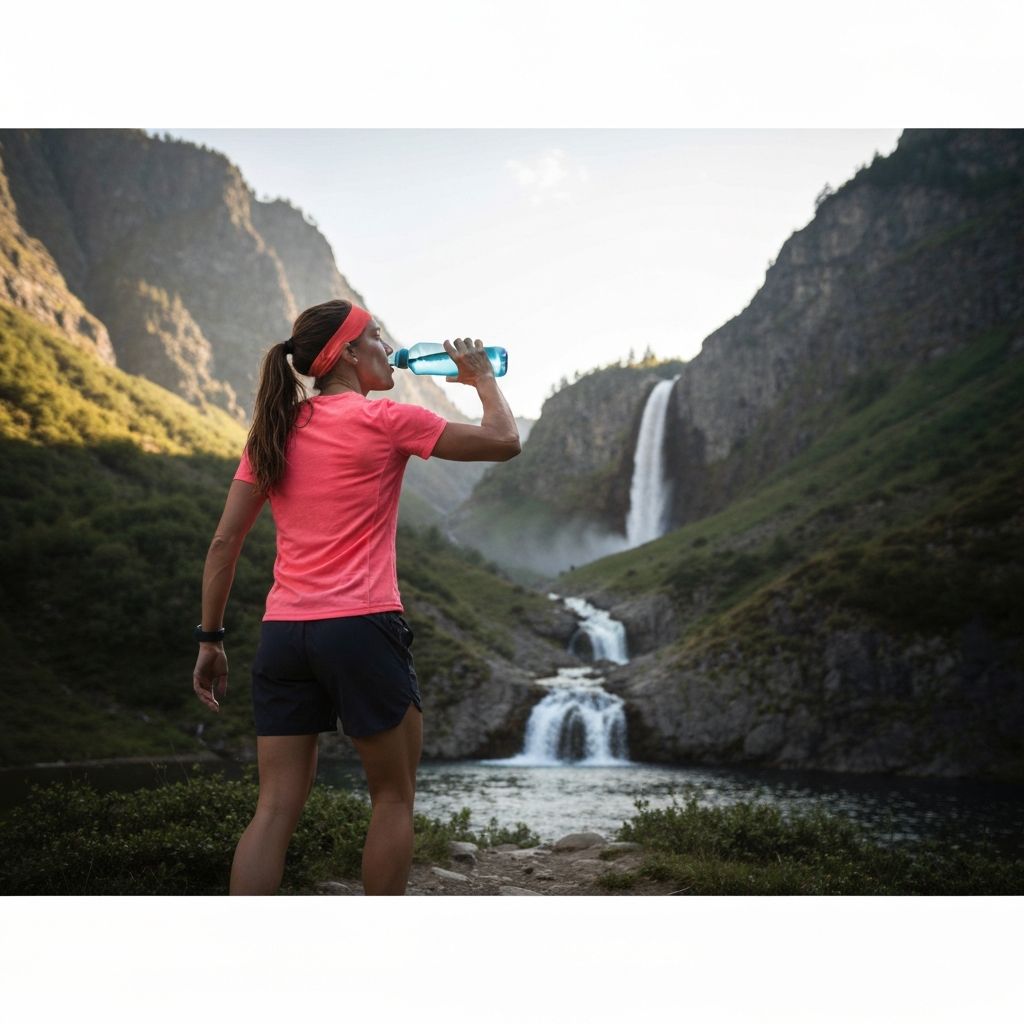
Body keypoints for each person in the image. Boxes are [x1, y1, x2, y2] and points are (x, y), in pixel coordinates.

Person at [191, 299, 520, 895]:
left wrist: (210, 640)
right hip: (362, 627)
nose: (387, 347)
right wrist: (482, 380)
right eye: (375, 337)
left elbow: (223, 543)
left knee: (273, 810)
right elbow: (504, 440)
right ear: (346, 352)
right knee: (392, 798)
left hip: (283, 635)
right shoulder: (386, 419)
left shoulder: (273, 433)